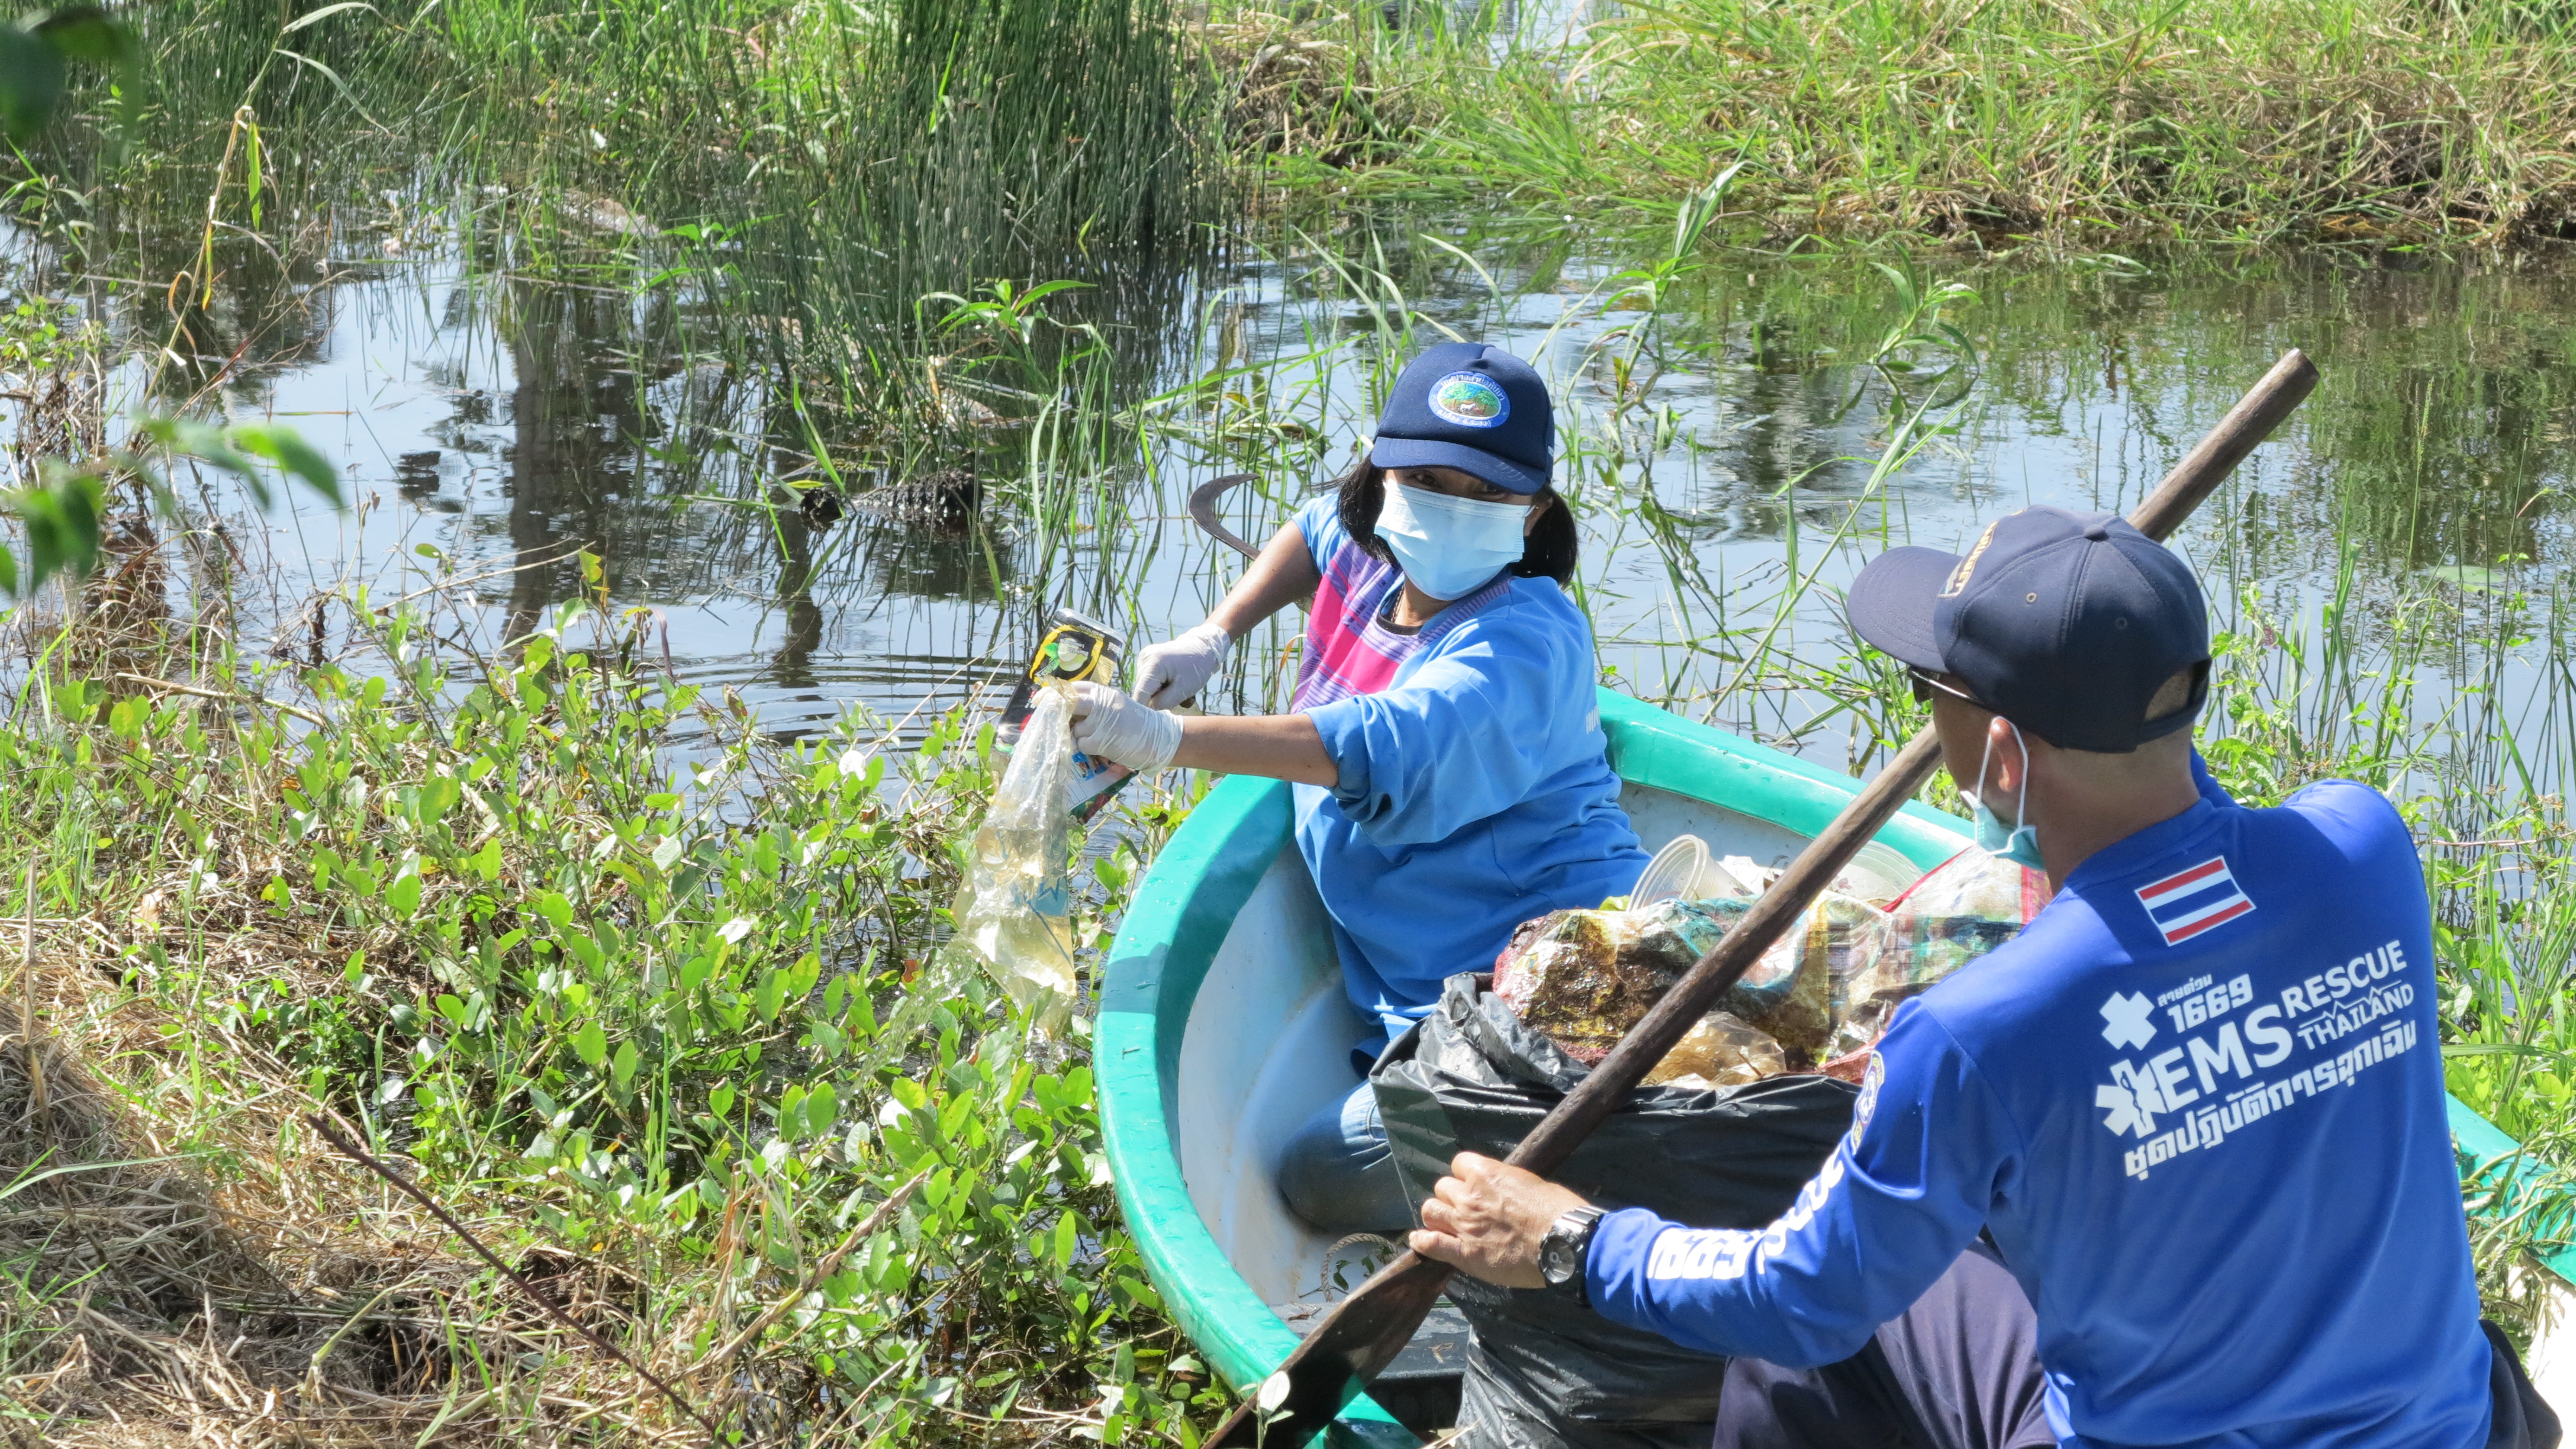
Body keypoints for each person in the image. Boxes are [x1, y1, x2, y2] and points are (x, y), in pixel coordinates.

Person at [1402, 505, 2559, 1449]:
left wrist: (1571, 1239)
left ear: (2002, 753)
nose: (1925, 716)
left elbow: (1804, 1298)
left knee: (1804, 1334)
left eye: (1929, 695)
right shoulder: (2362, 849)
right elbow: (2184, 917)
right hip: (2446, 1429)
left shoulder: (1977, 1032)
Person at [1067, 342, 1648, 1234]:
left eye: (1489, 494)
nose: (1455, 511)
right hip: (1426, 985)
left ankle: (1598, 1161)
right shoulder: (1377, 554)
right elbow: (1315, 532)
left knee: (1314, 1178)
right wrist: (1216, 634)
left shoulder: (1526, 640)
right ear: (1379, 479)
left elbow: (1380, 741)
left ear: (1534, 515)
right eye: (1429, 480)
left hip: (1539, 982)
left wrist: (1164, 739)